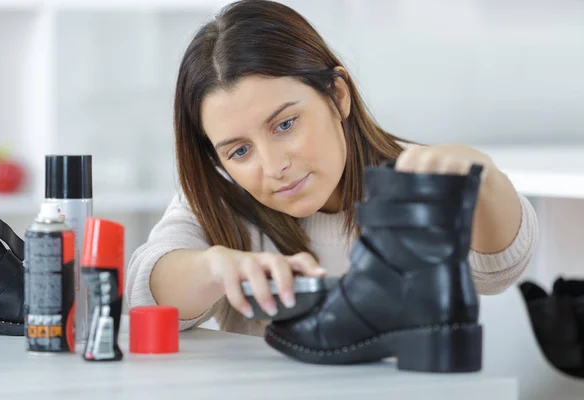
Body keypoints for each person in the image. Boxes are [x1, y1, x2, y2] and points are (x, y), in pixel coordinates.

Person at [127, 0, 539, 336]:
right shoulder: (219, 197)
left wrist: (483, 180)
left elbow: (500, 269)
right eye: (239, 151)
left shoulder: (413, 178)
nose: (274, 167)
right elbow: (148, 290)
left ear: (337, 95)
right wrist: (216, 267)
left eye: (285, 124)